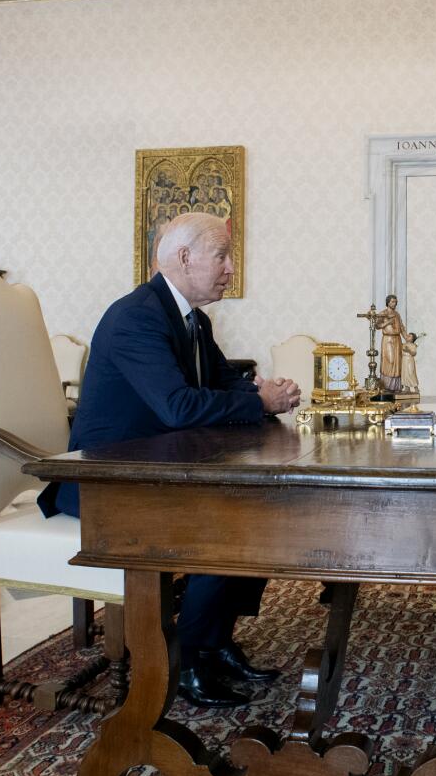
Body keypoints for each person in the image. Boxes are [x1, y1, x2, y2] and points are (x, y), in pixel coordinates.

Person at [38, 213, 302, 709]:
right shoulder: (136, 316)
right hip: (104, 482)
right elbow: (178, 406)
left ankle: (216, 643)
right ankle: (187, 660)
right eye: (222, 256)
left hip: (151, 473)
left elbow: (223, 381)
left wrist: (262, 390)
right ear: (184, 258)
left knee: (262, 511)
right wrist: (258, 404)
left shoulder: (193, 319)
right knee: (225, 527)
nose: (230, 269)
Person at [376, 294, 406, 392]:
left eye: (395, 302)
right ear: (388, 302)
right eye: (392, 301)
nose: (394, 303)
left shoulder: (397, 314)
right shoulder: (383, 313)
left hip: (397, 340)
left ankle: (396, 387)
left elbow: (401, 327)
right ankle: (386, 386)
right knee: (390, 361)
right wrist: (387, 323)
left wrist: (408, 338)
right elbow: (377, 325)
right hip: (388, 340)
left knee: (397, 362)